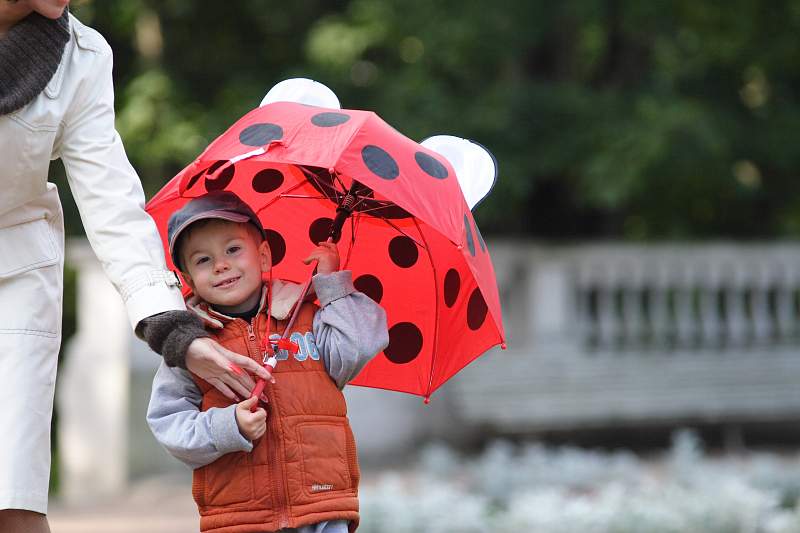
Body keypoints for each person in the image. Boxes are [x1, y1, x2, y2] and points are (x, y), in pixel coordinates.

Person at [0, 2, 270, 530]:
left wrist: (175, 329)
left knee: (12, 495)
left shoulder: (83, 57)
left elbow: (112, 203)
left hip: (14, 281)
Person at [146, 191, 389, 533]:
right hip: (240, 517)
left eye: (233, 250)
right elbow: (169, 424)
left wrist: (331, 286)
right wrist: (229, 427)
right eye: (203, 260)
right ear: (188, 280)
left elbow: (357, 347)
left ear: (262, 257)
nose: (221, 265)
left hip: (321, 504)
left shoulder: (305, 316)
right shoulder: (193, 348)